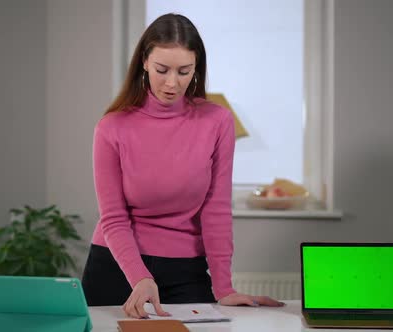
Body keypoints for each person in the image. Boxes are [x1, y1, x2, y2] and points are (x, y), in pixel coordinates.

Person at [81, 13, 283, 319]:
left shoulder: (217, 121)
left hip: (185, 269)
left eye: (184, 71)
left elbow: (215, 210)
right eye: (162, 70)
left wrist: (224, 288)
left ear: (196, 70)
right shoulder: (112, 127)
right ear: (144, 63)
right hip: (117, 266)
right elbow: (113, 219)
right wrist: (140, 277)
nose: (172, 83)